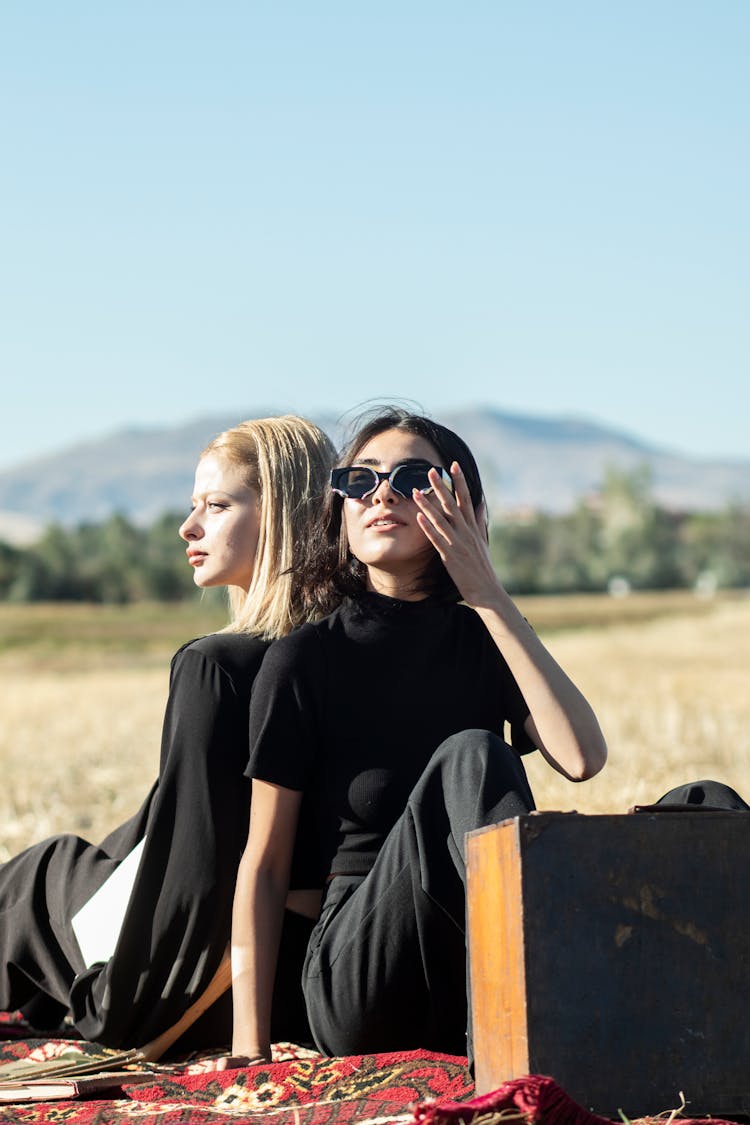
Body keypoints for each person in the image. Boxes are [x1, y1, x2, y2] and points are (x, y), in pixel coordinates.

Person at [226, 407, 608, 1067]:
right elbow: (264, 863)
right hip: (359, 975)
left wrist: (486, 589)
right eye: (361, 479)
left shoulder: (485, 643)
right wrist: (248, 1049)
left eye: (412, 477)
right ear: (340, 512)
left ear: (462, 508)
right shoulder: (306, 658)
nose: (382, 493)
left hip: (469, 970)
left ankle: (546, 1003)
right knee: (473, 754)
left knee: (707, 801)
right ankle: (557, 1006)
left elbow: (581, 757)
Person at [0, 415, 335, 1051]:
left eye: (217, 505)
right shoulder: (345, 652)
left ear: (284, 516)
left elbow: (196, 879)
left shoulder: (217, 667)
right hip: (308, 978)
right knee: (63, 864)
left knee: (31, 881)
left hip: (211, 985)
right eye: (193, 507)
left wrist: (125, 1004)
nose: (189, 528)